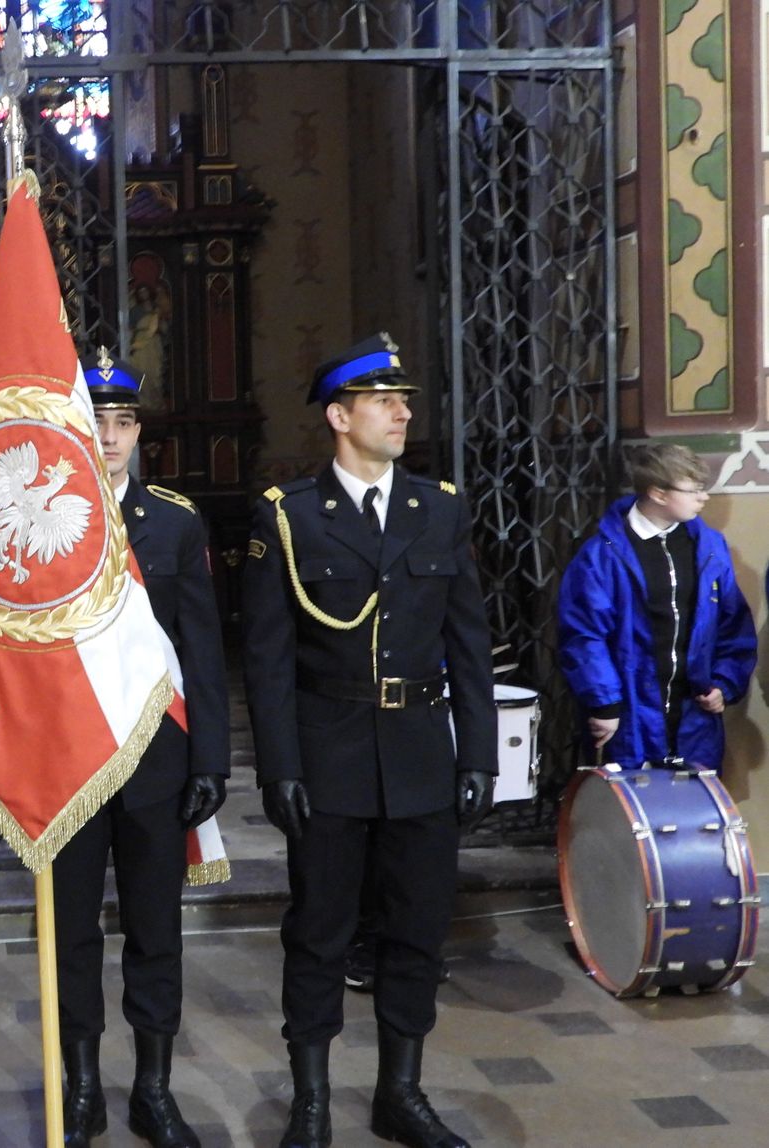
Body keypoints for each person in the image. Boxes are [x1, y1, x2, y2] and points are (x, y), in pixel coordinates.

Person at [240, 333, 496, 1148]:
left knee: (417, 929)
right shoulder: (289, 515)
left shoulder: (439, 508)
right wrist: (279, 767)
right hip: (331, 754)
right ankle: (311, 1101)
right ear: (339, 417)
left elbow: (469, 645)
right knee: (319, 932)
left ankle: (402, 1095)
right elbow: (268, 659)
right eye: (384, 402)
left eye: (404, 401)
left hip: (420, 753)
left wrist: (478, 753)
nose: (402, 414)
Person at [49, 350, 228, 1148]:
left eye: (123, 422)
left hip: (156, 758)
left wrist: (210, 760)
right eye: (97, 421)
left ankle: (153, 1087)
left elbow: (202, 648)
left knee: (156, 930)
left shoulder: (175, 521)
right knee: (73, 931)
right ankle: (83, 1085)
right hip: (71, 762)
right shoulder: (44, 519)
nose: (111, 436)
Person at [557, 442, 755, 769]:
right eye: (693, 490)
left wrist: (724, 683)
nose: (704, 497)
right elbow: (584, 634)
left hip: (694, 717)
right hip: (629, 714)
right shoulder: (602, 555)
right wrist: (604, 703)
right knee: (632, 798)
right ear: (658, 494)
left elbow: (733, 624)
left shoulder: (709, 546)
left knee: (693, 799)